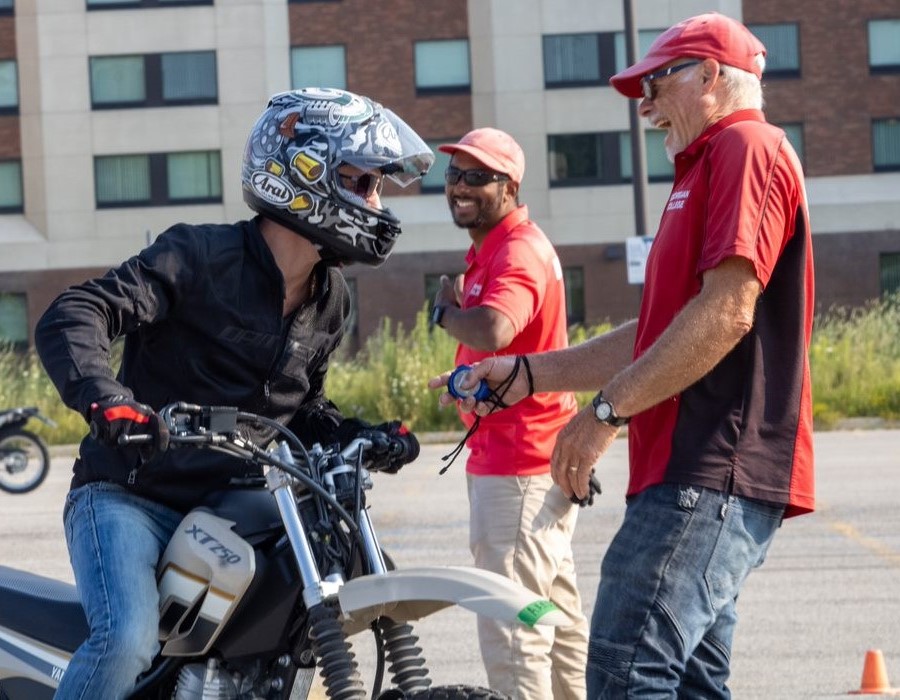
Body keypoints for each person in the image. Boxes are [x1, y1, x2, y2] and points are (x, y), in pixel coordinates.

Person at [430, 13, 815, 699]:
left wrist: (605, 413)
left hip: (711, 469)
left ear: (708, 75)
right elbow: (659, 331)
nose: (645, 105)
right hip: (691, 470)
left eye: (656, 82)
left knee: (623, 671)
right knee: (690, 684)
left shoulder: (745, 147)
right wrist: (528, 375)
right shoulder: (704, 166)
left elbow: (726, 313)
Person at [34, 87, 434, 699]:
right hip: (129, 496)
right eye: (362, 183)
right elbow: (77, 312)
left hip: (234, 512)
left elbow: (302, 409)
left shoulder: (331, 299)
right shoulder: (197, 255)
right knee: (127, 640)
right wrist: (108, 400)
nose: (375, 202)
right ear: (303, 174)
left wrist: (356, 434)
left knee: (287, 634)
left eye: (377, 186)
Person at [430, 127, 589, 700]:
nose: (460, 187)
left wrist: (443, 313)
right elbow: (509, 351)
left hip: (518, 475)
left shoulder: (516, 250)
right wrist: (462, 381)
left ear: (510, 185)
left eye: (478, 176)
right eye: (454, 175)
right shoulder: (494, 249)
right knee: (555, 617)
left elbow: (497, 326)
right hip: (533, 465)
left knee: (514, 630)